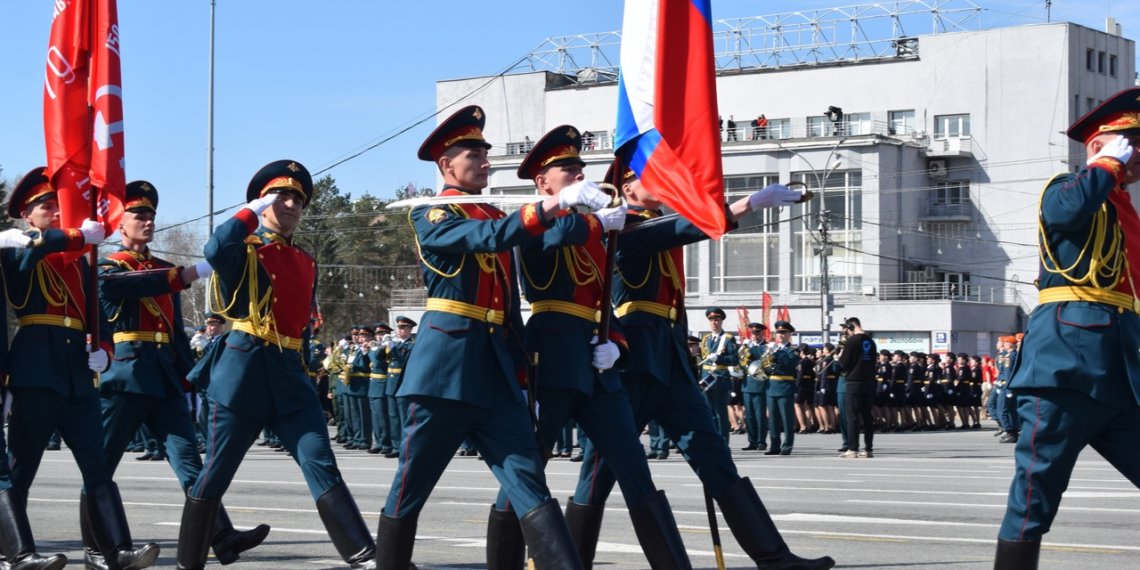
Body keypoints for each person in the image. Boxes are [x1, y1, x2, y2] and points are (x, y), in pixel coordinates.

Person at [380, 106, 611, 569]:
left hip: (497, 372)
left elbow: (509, 307)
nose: (486, 162)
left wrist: (525, 376)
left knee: (528, 477)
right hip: (446, 371)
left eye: (487, 153)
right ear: (447, 165)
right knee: (412, 484)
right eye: (475, 154)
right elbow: (488, 236)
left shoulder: (490, 211)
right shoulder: (433, 212)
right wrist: (554, 203)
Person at [575, 162, 834, 570]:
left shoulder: (655, 223)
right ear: (626, 185)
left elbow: (681, 228)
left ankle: (774, 556)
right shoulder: (623, 228)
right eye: (650, 176)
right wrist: (749, 202)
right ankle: (568, 560)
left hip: (673, 360)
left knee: (715, 457)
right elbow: (685, 228)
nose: (662, 183)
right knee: (598, 470)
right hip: (635, 362)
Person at [488, 124, 690, 569]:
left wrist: (616, 342)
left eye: (580, 169)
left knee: (635, 468)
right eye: (566, 171)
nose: (577, 176)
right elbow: (557, 237)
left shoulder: (594, 229)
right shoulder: (534, 221)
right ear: (543, 183)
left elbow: (602, 299)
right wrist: (595, 221)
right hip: (553, 355)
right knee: (528, 468)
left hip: (596, 360)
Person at [175, 160, 377, 570]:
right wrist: (250, 211)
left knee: (321, 461)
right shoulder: (245, 249)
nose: (290, 204)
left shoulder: (305, 259)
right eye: (281, 196)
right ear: (264, 202)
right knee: (215, 473)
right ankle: (188, 563)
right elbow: (214, 248)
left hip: (289, 376)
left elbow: (301, 325)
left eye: (298, 199)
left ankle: (365, 557)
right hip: (243, 373)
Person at [994, 87, 1140, 569]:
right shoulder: (1070, 188)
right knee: (1034, 498)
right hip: (1066, 372)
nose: (1137, 161)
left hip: (1121, 378)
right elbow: (1063, 211)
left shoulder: (1124, 211)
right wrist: (1105, 166)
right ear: (1102, 145)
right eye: (1132, 147)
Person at [94, 180, 270, 567]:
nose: (147, 220)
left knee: (190, 461)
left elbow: (174, 332)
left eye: (151, 215)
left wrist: (191, 375)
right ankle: (101, 547)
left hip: (164, 377)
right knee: (101, 465)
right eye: (138, 214)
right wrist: (193, 271)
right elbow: (134, 287)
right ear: (118, 223)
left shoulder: (161, 268)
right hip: (125, 374)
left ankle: (221, 535)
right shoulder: (108, 266)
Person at [1, 167, 160, 570]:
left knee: (96, 465)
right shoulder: (19, 252)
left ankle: (115, 549)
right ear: (27, 216)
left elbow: (97, 315)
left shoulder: (79, 262)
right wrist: (77, 235)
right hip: (37, 366)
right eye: (46, 207)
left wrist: (104, 347)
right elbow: (36, 249)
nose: (56, 213)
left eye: (59, 205)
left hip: (77, 370)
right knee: (22, 466)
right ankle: (14, 551)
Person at [836, 317, 876, 458]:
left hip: (854, 382)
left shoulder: (852, 341)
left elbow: (844, 363)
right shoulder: (870, 341)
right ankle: (868, 448)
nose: (846, 333)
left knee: (852, 416)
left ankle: (852, 448)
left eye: (846, 330)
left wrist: (838, 357)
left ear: (851, 327)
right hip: (868, 382)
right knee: (867, 416)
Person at [700, 307, 737, 443]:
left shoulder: (728, 339)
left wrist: (719, 359)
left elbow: (734, 360)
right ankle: (712, 441)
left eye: (717, 320)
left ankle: (723, 442)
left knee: (720, 414)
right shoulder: (705, 339)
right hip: (706, 379)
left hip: (720, 378)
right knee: (709, 413)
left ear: (721, 321)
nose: (714, 322)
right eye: (711, 320)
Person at [764, 321, 800, 455]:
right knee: (772, 419)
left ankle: (787, 446)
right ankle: (774, 446)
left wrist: (776, 352)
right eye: (778, 332)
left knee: (786, 418)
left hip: (785, 386)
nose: (780, 335)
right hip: (771, 386)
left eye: (784, 332)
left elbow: (789, 363)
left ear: (789, 334)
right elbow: (766, 366)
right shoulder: (771, 348)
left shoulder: (793, 349)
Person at [384, 315, 416, 459]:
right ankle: (396, 446)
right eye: (399, 327)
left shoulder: (411, 345)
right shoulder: (395, 344)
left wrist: (391, 346)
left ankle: (406, 447)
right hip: (391, 385)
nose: (400, 330)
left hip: (402, 384)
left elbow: (402, 360)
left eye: (403, 328)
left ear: (410, 329)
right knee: (393, 418)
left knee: (404, 418)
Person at [740, 322, 769, 451]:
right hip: (747, 385)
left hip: (760, 384)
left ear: (763, 334)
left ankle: (761, 441)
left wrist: (749, 349)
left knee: (760, 416)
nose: (755, 336)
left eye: (758, 333)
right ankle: (752, 441)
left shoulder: (766, 347)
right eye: (753, 333)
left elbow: (761, 359)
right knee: (749, 416)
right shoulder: (746, 347)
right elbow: (739, 362)